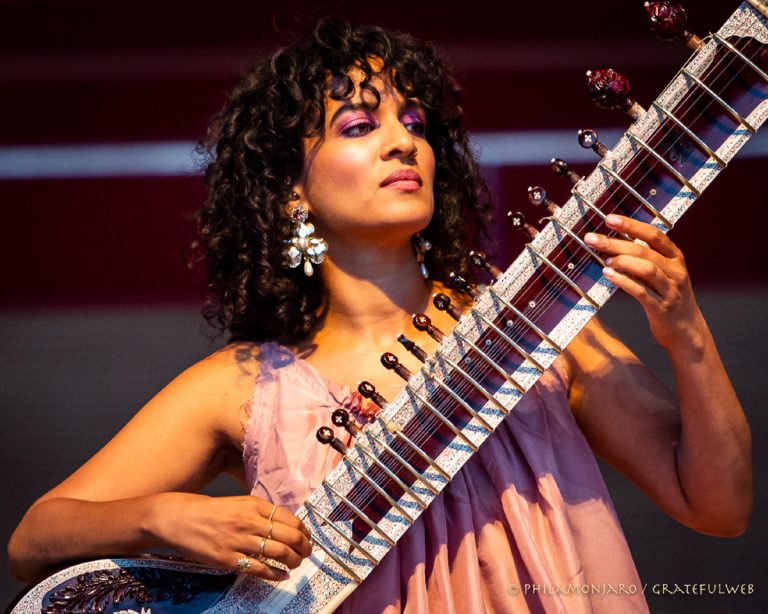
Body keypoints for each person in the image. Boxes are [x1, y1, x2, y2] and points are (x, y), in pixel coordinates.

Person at [7, 17, 752, 613]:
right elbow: (34, 538)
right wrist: (165, 518)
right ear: (291, 190)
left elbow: (717, 507)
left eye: (416, 121)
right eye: (359, 127)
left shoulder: (540, 330)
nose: (405, 140)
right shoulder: (240, 388)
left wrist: (684, 332)